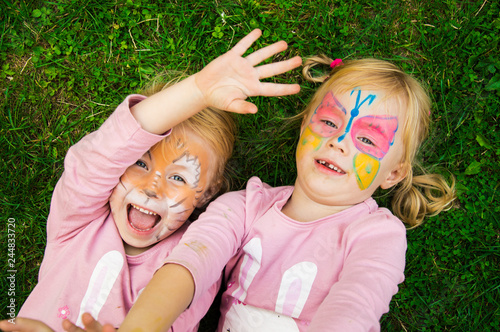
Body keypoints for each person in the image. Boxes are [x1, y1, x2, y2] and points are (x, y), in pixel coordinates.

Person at [97, 51, 456, 332]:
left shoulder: (378, 235)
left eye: (366, 138)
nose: (338, 143)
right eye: (329, 123)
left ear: (393, 173)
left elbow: (354, 307)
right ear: (304, 128)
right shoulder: (243, 207)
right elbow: (190, 266)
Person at [0, 29, 302, 332]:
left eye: (177, 177)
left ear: (208, 193)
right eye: (140, 162)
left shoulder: (194, 257)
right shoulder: (78, 221)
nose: (152, 186)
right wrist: (198, 90)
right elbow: (99, 155)